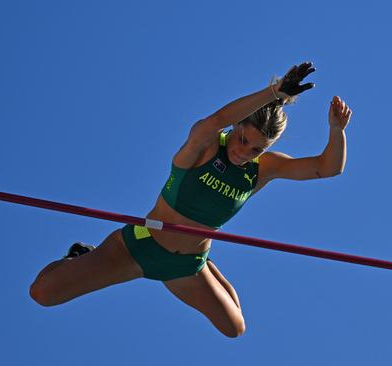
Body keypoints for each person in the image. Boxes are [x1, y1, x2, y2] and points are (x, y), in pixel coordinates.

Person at [29, 62, 352, 338]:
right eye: (243, 140)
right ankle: (80, 255)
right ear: (238, 126)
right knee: (42, 293)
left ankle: (208, 261)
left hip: (186, 265)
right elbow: (216, 119)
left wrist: (336, 130)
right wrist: (275, 93)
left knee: (234, 328)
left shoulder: (264, 168)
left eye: (257, 149)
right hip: (138, 247)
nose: (244, 152)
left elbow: (328, 169)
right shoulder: (206, 145)